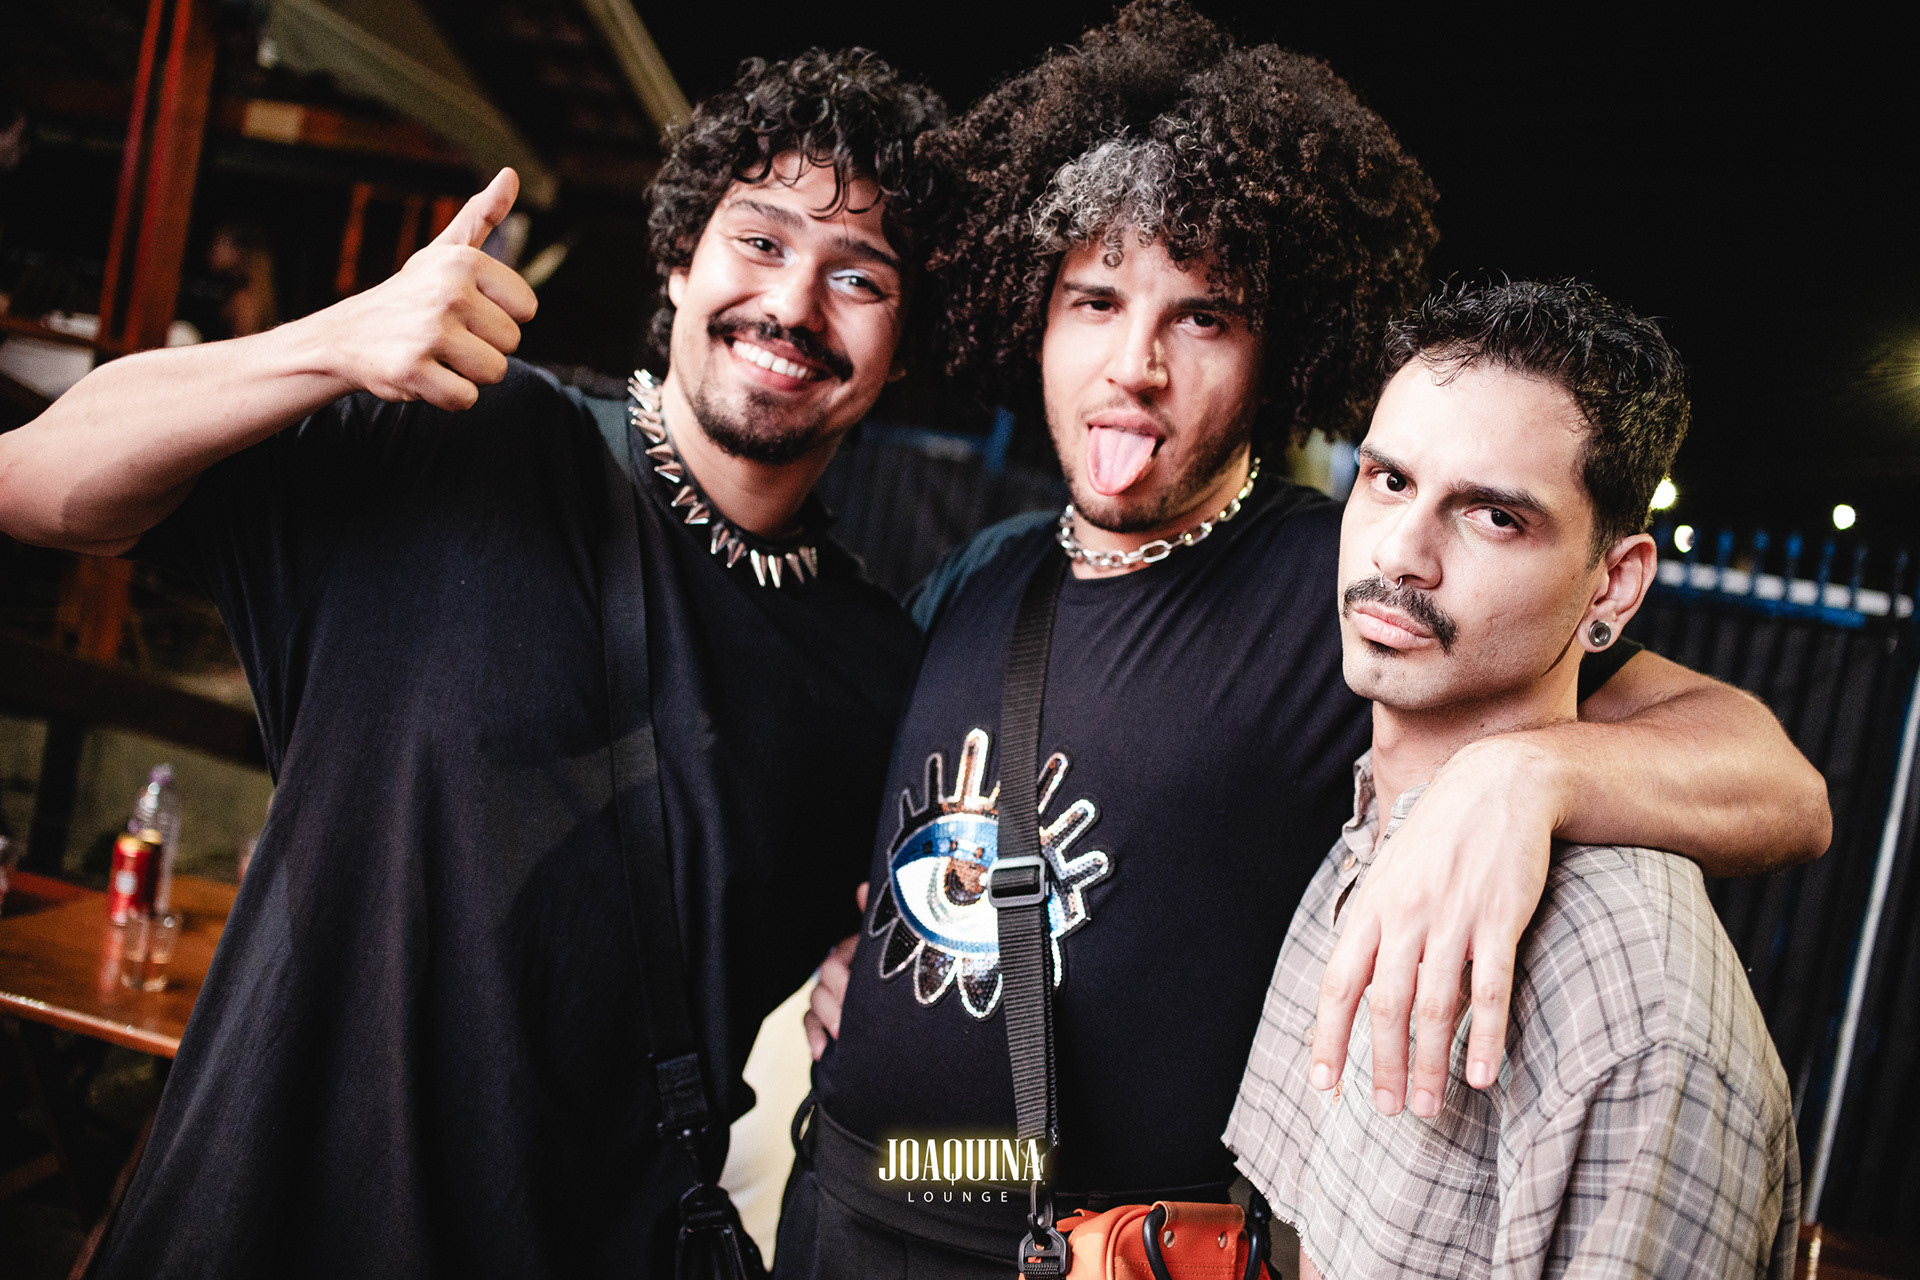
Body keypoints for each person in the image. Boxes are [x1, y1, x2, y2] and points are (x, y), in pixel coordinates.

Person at [780, 5, 1826, 1276]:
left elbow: (1781, 783)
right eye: (1094, 300)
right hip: (848, 1196)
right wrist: (869, 954)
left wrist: (1533, 772)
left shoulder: (1349, 588)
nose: (1134, 364)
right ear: (1034, 316)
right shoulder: (989, 572)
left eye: (1202, 317)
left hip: (1084, 1246)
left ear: (1277, 352)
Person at [0, 49, 943, 1279]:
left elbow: (944, 1079)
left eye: (859, 275)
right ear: (680, 258)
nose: (795, 304)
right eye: (760, 241)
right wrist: (333, 342)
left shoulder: (884, 678)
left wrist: (884, 1028)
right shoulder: (460, 434)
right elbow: (34, 482)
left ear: (903, 346)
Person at [1226, 279, 1799, 1280]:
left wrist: (1524, 773)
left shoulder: (1640, 1012)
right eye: (1388, 479)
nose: (1401, 551)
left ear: (1612, 584)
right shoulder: (1382, 821)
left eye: (1493, 515)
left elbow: (1792, 789)